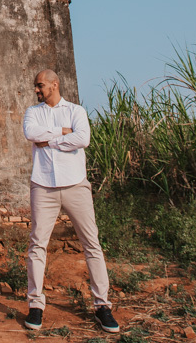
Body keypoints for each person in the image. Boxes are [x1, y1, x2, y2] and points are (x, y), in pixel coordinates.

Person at [22, 69, 119, 333]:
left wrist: (50, 139)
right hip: (43, 186)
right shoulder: (33, 112)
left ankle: (102, 306)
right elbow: (31, 134)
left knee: (92, 244)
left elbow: (83, 138)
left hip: (76, 185)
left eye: (40, 85)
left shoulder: (76, 111)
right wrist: (63, 135)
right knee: (37, 245)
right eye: (36, 86)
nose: (36, 90)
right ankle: (36, 305)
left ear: (54, 84)